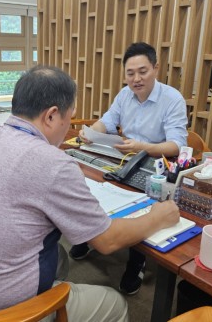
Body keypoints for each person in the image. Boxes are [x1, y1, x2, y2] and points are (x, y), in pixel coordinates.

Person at [0, 65, 180, 321]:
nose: (68, 126)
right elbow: (107, 241)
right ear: (52, 116)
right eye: (69, 117)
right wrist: (159, 217)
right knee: (115, 303)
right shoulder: (52, 163)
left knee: (61, 259)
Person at [69, 42, 188, 296]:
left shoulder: (172, 98)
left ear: (156, 68)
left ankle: (137, 260)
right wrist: (91, 133)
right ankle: (89, 235)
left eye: (143, 71)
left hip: (153, 164)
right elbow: (108, 121)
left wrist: (142, 146)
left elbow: (177, 145)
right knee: (86, 184)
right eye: (130, 73)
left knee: (141, 204)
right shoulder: (125, 95)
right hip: (123, 156)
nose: (136, 79)